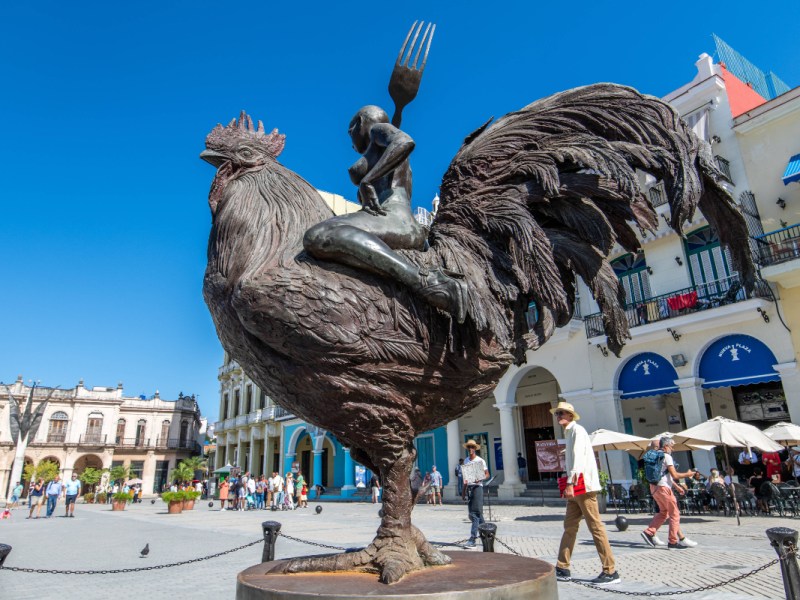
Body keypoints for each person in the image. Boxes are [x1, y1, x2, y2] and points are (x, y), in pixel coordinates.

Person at [303, 105, 466, 322]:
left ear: (360, 123)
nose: (350, 141)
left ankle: (424, 281)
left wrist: (368, 180)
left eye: (350, 131)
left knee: (319, 234)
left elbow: (404, 141)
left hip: (396, 220)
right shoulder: (381, 147)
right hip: (393, 221)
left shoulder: (376, 130)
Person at [551, 402, 620, 585]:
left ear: (571, 415)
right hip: (576, 488)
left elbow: (579, 459)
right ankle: (562, 566)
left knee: (595, 527)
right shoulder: (569, 432)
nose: (559, 416)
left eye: (563, 413)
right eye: (557, 413)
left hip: (583, 486)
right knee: (570, 526)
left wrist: (570, 482)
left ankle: (610, 570)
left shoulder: (577, 431)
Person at [641, 437, 698, 551]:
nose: (673, 448)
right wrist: (688, 474)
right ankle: (672, 541)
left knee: (664, 512)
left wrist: (676, 486)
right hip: (663, 488)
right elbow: (675, 475)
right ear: (666, 446)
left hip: (654, 487)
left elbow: (666, 475)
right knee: (675, 514)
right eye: (672, 446)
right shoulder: (667, 456)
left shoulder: (656, 455)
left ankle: (650, 531)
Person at [462, 439, 489, 548]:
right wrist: (463, 491)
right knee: (476, 514)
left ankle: (473, 539)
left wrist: (480, 478)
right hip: (469, 487)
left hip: (478, 487)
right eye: (469, 447)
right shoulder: (466, 461)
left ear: (475, 449)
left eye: (472, 447)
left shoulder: (480, 461)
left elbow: (487, 474)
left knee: (474, 513)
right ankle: (487, 534)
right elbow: (465, 477)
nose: (470, 449)